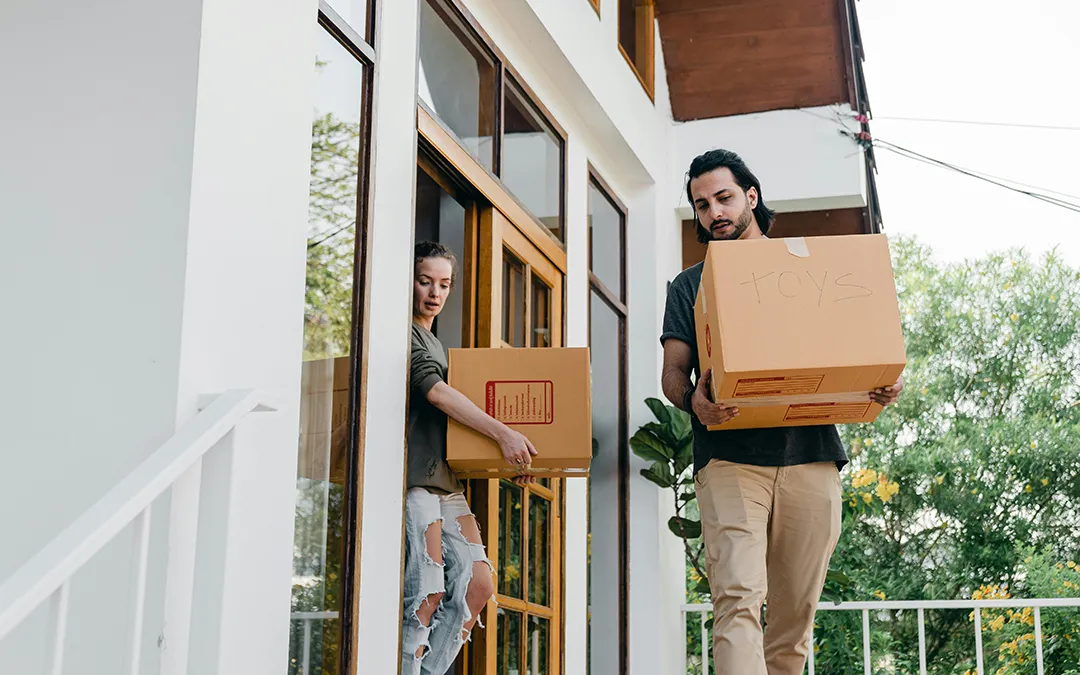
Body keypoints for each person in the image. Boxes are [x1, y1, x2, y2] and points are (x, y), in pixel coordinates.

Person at [659, 149, 903, 674]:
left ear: (751, 196)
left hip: (811, 457)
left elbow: (859, 347)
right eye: (701, 206)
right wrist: (693, 401)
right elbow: (673, 373)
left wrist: (881, 381)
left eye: (723, 198)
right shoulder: (688, 286)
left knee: (793, 619)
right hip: (728, 460)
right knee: (738, 599)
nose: (714, 213)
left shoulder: (811, 269)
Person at [402, 241, 538, 674]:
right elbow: (435, 393)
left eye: (444, 284)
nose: (435, 293)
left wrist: (506, 456)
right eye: (425, 281)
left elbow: (459, 422)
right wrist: (503, 434)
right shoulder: (402, 334)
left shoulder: (441, 346)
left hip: (446, 481)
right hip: (414, 478)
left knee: (478, 584)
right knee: (428, 589)